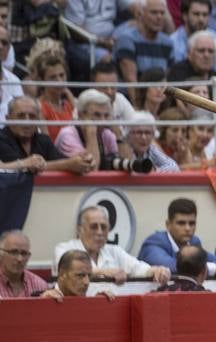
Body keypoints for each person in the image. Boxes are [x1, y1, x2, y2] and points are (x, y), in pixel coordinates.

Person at [0, 96, 95, 232]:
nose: (27, 121)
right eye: (21, 116)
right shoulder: (1, 138)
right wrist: (68, 164)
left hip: (47, 212)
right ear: (8, 118)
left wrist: (82, 161)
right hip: (9, 211)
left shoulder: (43, 140)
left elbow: (59, 162)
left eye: (32, 116)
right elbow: (26, 169)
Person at [53, 205, 170, 285]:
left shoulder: (114, 251)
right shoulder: (64, 248)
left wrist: (157, 270)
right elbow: (70, 271)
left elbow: (139, 269)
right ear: (80, 230)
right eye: (94, 227)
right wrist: (105, 273)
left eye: (104, 227)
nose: (99, 232)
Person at [137, 197, 216, 286]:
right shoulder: (153, 243)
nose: (187, 228)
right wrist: (214, 269)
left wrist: (213, 267)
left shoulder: (194, 242)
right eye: (181, 223)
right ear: (168, 224)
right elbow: (175, 267)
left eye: (192, 223)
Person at [42, 248, 114, 300]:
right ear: (62, 274)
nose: (87, 282)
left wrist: (99, 304)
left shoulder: (91, 301)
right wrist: (41, 305)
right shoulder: (41, 298)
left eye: (89, 275)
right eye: (80, 275)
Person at [0, 229, 47, 298]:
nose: (20, 259)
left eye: (24, 253)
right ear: (1, 254)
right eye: (14, 252)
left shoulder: (39, 285)